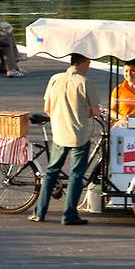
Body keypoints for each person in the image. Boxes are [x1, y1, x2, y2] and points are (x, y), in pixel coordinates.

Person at [29, 53, 102, 225]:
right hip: (79, 136)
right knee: (76, 175)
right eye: (89, 63)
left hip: (59, 133)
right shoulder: (85, 83)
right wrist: (86, 112)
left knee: (51, 172)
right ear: (83, 63)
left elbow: (47, 108)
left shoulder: (55, 79)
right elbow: (96, 111)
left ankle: (39, 212)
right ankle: (69, 215)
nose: (89, 67)